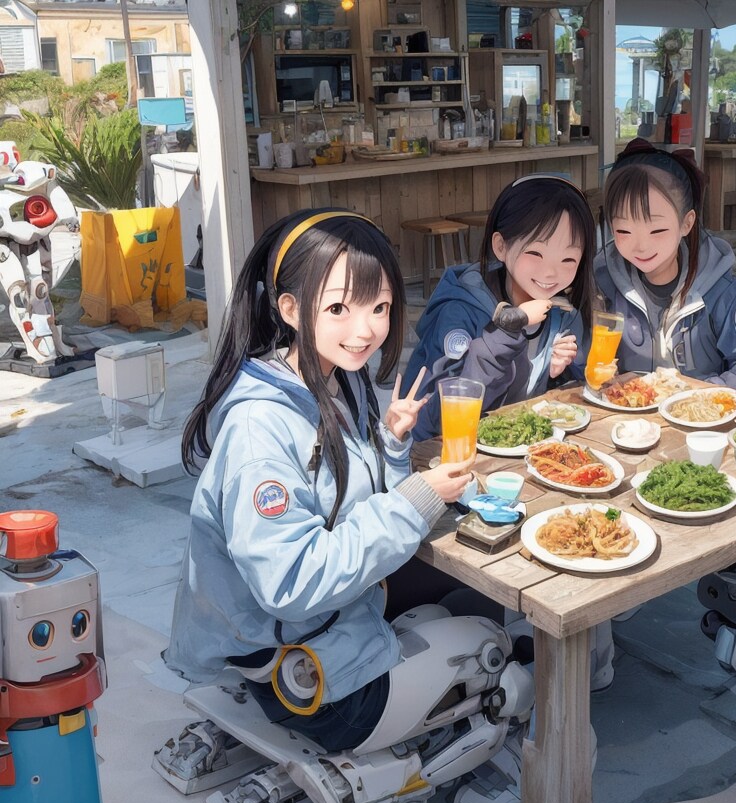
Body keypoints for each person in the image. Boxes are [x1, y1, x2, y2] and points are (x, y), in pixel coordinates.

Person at [164, 209, 477, 751]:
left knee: (463, 593)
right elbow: (291, 583)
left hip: (328, 619)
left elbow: (359, 502)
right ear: (289, 308)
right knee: (488, 646)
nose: (365, 330)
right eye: (338, 308)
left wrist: (392, 444)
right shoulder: (259, 429)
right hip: (291, 669)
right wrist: (415, 501)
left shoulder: (335, 377)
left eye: (379, 307)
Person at [401, 174, 596, 441]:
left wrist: (556, 373)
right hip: (450, 454)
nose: (551, 272)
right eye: (535, 253)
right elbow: (434, 419)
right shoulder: (461, 312)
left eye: (568, 259)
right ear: (501, 246)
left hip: (518, 451)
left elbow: (561, 399)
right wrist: (505, 333)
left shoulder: (562, 311)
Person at [594, 138, 736, 402]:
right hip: (625, 421)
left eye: (657, 230)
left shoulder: (722, 292)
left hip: (703, 422)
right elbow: (585, 361)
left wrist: (688, 395)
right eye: (623, 230)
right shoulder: (602, 284)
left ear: (686, 223)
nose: (641, 245)